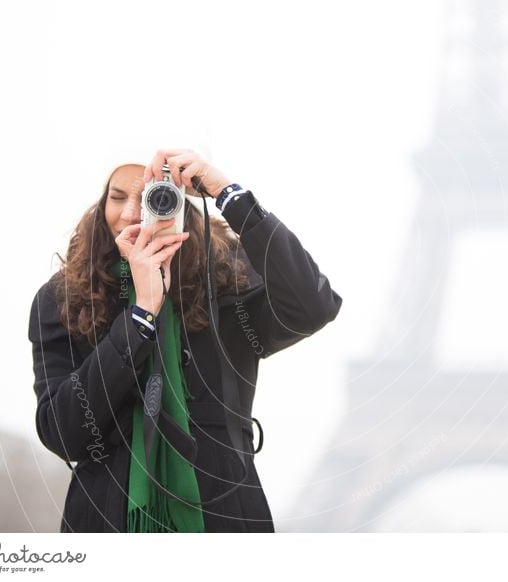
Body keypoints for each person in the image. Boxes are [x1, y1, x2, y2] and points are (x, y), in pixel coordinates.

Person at [28, 148, 342, 532]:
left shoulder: (228, 279)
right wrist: (141, 312)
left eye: (149, 196)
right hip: (107, 521)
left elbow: (313, 304)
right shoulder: (63, 298)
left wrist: (228, 193)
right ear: (99, 203)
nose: (131, 213)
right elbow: (63, 431)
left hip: (223, 515)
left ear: (179, 200)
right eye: (117, 196)